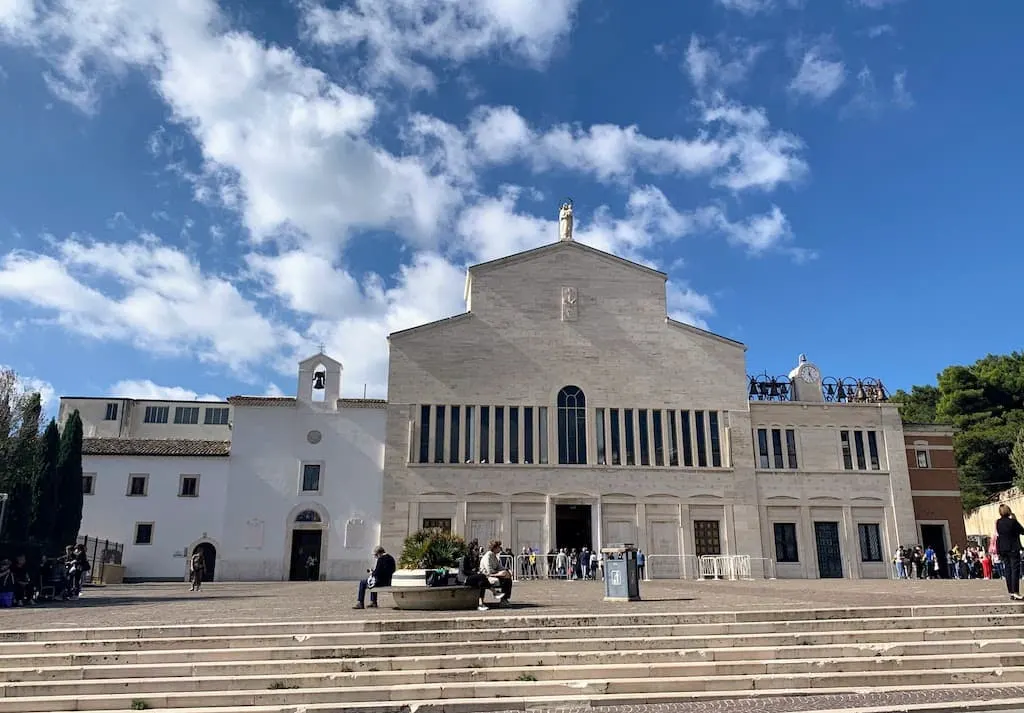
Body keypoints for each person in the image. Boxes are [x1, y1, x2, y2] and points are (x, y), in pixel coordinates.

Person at [995, 504, 1024, 600]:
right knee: (1015, 569)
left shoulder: (998, 522)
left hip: (1003, 549)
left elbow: (1000, 535)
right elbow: (1022, 531)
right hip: (1013, 548)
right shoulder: (1012, 522)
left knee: (1007, 570)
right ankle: (1015, 591)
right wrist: (1015, 519)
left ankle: (1011, 591)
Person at [481, 539, 513, 605]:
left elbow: (499, 566)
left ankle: (504, 599)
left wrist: (507, 570)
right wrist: (499, 573)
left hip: (493, 574)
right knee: (505, 580)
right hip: (486, 576)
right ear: (494, 548)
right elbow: (489, 570)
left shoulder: (494, 556)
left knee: (508, 579)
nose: (500, 548)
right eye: (499, 547)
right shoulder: (488, 556)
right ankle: (503, 600)